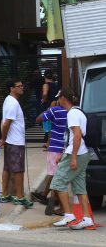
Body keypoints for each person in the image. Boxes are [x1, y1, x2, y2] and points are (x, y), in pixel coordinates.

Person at [51, 87, 95, 230]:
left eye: (59, 97)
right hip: (82, 153)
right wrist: (65, 154)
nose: (58, 100)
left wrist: (73, 157)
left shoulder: (72, 114)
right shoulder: (78, 111)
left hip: (76, 153)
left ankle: (69, 215)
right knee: (80, 187)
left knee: (58, 182)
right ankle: (87, 218)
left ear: (64, 97)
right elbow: (72, 137)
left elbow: (76, 135)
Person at [0, 78, 33, 207]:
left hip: (10, 140)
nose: (21, 87)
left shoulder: (9, 100)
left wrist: (4, 138)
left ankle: (5, 194)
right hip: (15, 141)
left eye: (22, 85)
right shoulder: (13, 103)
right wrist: (3, 138)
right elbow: (6, 123)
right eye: (19, 86)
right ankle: (19, 196)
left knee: (7, 167)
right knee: (18, 170)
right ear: (12, 88)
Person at [32, 96, 67, 215]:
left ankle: (52, 198)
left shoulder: (55, 110)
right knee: (59, 174)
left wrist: (50, 109)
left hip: (55, 148)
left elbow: (38, 119)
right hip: (65, 147)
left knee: (53, 174)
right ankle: (48, 196)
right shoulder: (71, 111)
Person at [40, 69, 60, 150]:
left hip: (48, 106)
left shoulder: (46, 85)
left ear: (44, 76)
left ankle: (49, 144)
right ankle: (49, 143)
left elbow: (45, 93)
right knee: (53, 125)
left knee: (48, 126)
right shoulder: (56, 85)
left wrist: (43, 99)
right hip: (56, 106)